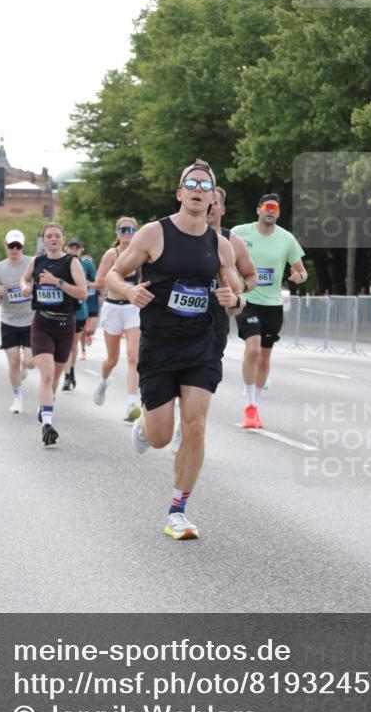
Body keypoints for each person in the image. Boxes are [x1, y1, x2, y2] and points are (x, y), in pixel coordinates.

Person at [105, 162, 244, 540]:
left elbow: (236, 300)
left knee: (196, 426)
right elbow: (114, 277)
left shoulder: (220, 245)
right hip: (160, 344)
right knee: (161, 437)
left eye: (206, 185)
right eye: (191, 184)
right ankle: (146, 424)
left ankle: (177, 511)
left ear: (213, 197)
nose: (198, 189)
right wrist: (130, 291)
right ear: (180, 193)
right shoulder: (154, 233)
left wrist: (234, 299)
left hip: (200, 346)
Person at [232, 194, 307, 429]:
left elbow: (302, 271)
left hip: (273, 305)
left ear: (278, 213)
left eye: (275, 208)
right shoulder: (240, 233)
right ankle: (250, 405)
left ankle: (255, 402)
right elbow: (224, 257)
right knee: (252, 350)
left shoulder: (286, 239)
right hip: (247, 299)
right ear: (258, 210)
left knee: (264, 357)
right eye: (267, 207)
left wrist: (299, 276)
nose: (271, 211)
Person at [20, 223, 88, 445]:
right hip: (42, 323)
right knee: (47, 375)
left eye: (57, 236)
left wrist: (57, 282)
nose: (53, 239)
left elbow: (83, 293)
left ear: (63, 240)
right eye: (49, 236)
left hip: (65, 326)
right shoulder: (37, 261)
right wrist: (25, 287)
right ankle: (47, 424)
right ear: (43, 240)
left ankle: (46, 405)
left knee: (56, 377)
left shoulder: (72, 262)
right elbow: (25, 278)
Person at [93, 217, 142, 422]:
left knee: (133, 357)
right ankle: (104, 381)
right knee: (112, 359)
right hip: (113, 307)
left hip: (133, 309)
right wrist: (119, 278)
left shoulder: (142, 254)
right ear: (117, 232)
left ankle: (131, 403)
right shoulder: (111, 254)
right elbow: (98, 283)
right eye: (123, 229)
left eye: (131, 229)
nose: (127, 233)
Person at [0, 230, 35, 413]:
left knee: (31, 362)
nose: (15, 249)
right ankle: (17, 397)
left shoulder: (32, 263)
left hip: (31, 319)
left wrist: (32, 288)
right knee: (13, 361)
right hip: (8, 320)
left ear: (23, 247)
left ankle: (26, 365)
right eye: (11, 246)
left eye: (18, 246)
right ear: (6, 246)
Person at [62, 237, 97, 392]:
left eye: (77, 248)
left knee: (73, 345)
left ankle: (71, 371)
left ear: (81, 250)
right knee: (67, 344)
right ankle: (67, 376)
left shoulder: (87, 265)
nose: (74, 250)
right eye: (71, 247)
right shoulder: (60, 263)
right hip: (63, 309)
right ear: (66, 248)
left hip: (80, 310)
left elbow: (98, 283)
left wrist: (85, 284)